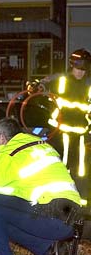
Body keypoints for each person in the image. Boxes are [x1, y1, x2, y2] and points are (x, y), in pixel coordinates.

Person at [0, 117, 81, 255]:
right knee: (0, 221)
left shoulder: (10, 153)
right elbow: (18, 190)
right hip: (72, 218)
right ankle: (51, 250)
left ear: (1, 137)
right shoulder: (39, 145)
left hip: (51, 216)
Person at [43, 48, 91, 206]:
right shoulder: (62, 81)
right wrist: (39, 84)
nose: (80, 72)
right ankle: (59, 202)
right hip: (61, 133)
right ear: (72, 65)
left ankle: (80, 205)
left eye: (84, 69)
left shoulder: (88, 86)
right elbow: (49, 83)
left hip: (80, 136)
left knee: (81, 171)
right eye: (78, 68)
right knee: (61, 168)